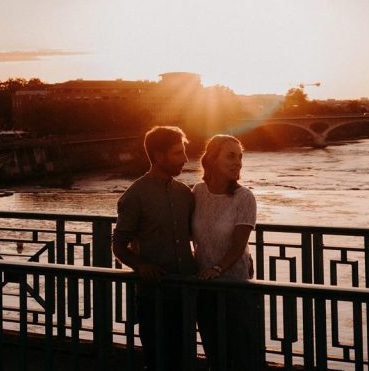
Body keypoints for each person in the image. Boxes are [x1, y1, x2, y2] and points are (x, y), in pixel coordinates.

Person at [112, 125, 198, 370]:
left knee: (183, 357)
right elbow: (118, 245)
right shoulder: (134, 195)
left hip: (185, 289)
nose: (185, 159)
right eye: (178, 153)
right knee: (158, 359)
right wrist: (141, 266)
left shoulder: (185, 193)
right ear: (159, 156)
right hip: (154, 294)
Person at [193, 134, 264, 371]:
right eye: (231, 156)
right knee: (215, 354)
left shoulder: (245, 197)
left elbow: (238, 245)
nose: (238, 163)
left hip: (235, 287)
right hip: (204, 287)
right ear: (212, 159)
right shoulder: (197, 193)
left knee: (241, 356)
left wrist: (217, 269)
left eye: (240, 157)